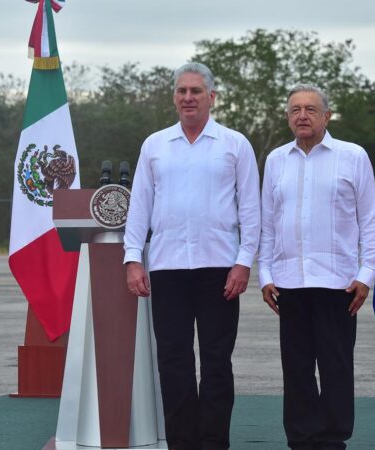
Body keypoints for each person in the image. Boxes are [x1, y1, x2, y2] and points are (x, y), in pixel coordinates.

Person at [123, 62, 261, 450]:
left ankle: (214, 443)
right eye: (182, 91)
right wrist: (133, 258)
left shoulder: (235, 144)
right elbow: (140, 208)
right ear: (174, 97)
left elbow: (251, 209)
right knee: (173, 361)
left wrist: (243, 261)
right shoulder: (154, 145)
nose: (188, 97)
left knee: (217, 361)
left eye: (196, 91)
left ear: (212, 97)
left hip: (220, 268)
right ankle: (181, 443)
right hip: (166, 268)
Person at [258, 84, 375, 450]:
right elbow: (268, 224)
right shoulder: (277, 160)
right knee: (296, 370)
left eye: (311, 109)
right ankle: (302, 439)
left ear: (327, 116)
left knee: (336, 367)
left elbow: (368, 223)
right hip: (289, 283)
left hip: (338, 284)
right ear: (287, 117)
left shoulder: (353, 157)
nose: (302, 116)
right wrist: (264, 276)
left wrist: (366, 274)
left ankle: (332, 439)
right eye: (295, 110)